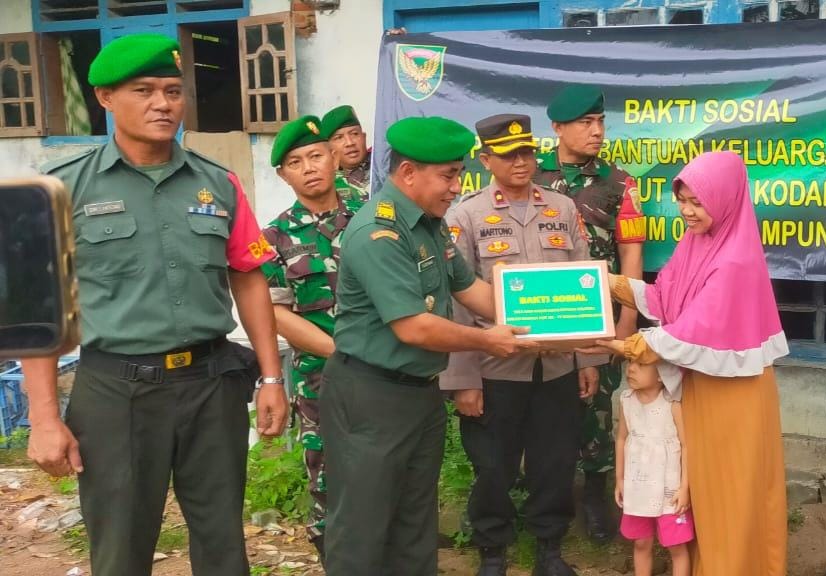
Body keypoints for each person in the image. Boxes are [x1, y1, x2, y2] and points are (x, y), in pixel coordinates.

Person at [21, 34, 288, 576]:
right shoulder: (60, 190)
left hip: (210, 386)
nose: (162, 104)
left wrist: (271, 377)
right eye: (143, 91)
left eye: (172, 91)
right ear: (104, 98)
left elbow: (249, 278)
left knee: (222, 544)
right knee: (120, 545)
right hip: (115, 391)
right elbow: (39, 313)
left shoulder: (219, 184)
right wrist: (44, 417)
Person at [320, 115, 539, 575]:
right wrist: (487, 341)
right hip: (371, 396)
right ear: (408, 174)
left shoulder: (429, 225)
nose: (456, 186)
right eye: (448, 176)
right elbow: (413, 327)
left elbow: (474, 292)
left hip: (419, 393)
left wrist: (549, 314)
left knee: (415, 524)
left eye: (458, 174)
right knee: (363, 524)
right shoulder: (378, 232)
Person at [583, 151, 789, 576]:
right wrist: (606, 283)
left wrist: (617, 345)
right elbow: (664, 299)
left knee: (730, 490)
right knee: (700, 490)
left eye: (698, 201)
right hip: (700, 388)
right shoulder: (696, 243)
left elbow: (688, 333)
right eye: (682, 200)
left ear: (726, 199)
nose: (687, 211)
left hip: (735, 398)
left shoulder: (735, 261)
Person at [441, 113, 607, 576]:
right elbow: (456, 301)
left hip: (555, 367)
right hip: (494, 370)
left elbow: (583, 288)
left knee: (554, 462)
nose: (521, 162)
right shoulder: (465, 215)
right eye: (509, 154)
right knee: (492, 467)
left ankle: (549, 551)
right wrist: (462, 378)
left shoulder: (562, 207)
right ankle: (492, 551)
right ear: (486, 159)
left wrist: (588, 359)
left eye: (528, 152)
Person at [533, 84, 646, 540]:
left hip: (599, 313)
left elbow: (631, 252)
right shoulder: (532, 178)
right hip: (543, 312)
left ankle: (596, 496)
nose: (596, 131)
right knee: (546, 405)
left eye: (600, 122)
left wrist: (627, 318)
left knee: (596, 408)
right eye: (585, 123)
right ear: (558, 128)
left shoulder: (621, 183)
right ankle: (548, 496)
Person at [260, 115, 349, 559]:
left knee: (390, 473)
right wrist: (343, 351)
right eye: (297, 162)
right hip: (321, 379)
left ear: (334, 157)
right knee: (327, 480)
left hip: (387, 375)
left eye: (317, 155)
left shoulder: (375, 218)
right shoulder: (273, 237)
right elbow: (274, 312)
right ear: (284, 174)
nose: (310, 167)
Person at [615, 361, 693, 576]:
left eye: (640, 364)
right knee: (641, 542)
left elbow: (686, 446)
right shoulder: (626, 400)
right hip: (637, 486)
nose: (630, 368)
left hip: (670, 489)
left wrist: (684, 488)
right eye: (630, 362)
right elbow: (621, 438)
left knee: (676, 545)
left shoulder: (672, 403)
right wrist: (620, 479)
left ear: (662, 375)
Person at [320, 104, 370, 213]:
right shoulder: (323, 182)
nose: (349, 143)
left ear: (364, 137)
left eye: (354, 134)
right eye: (339, 138)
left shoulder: (382, 168)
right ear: (328, 148)